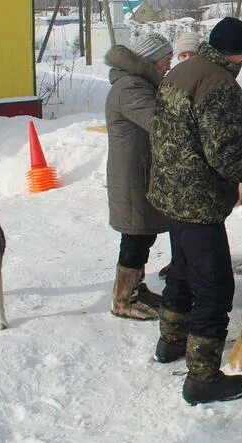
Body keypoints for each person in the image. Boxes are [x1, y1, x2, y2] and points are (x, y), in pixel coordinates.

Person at [148, 17, 242, 405]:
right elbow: (225, 153)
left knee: (182, 270)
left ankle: (171, 343)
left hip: (170, 192)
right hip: (198, 200)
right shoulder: (221, 85)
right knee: (214, 286)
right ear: (240, 54)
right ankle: (202, 378)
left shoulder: (182, 72)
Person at [104, 33, 173, 321]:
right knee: (135, 237)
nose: (168, 67)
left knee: (142, 235)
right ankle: (122, 299)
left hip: (140, 171)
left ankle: (136, 288)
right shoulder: (131, 87)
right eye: (165, 61)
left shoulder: (139, 83)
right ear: (150, 61)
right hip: (133, 176)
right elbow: (160, 122)